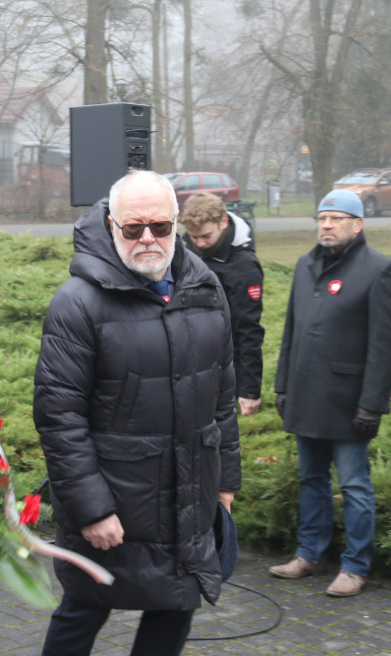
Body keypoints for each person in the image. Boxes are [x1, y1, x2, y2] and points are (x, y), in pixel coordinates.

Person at [34, 170, 240, 656]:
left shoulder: (206, 289)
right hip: (115, 500)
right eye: (133, 228)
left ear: (176, 226)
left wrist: (225, 482)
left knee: (177, 604)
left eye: (161, 226)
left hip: (189, 494)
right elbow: (59, 416)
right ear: (110, 226)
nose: (148, 238)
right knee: (84, 607)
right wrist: (91, 508)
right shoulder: (77, 303)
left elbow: (223, 397)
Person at [269, 189, 391, 598]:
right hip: (306, 394)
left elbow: (382, 346)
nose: (326, 225)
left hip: (348, 401)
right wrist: (282, 384)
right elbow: (291, 332)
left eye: (336, 218)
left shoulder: (378, 270)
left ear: (358, 225)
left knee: (355, 486)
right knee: (311, 480)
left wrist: (372, 404)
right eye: (322, 218)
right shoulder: (305, 265)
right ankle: (310, 554)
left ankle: (355, 567)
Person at [179, 191, 265, 416]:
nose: (200, 243)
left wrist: (249, 388)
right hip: (182, 367)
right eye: (193, 237)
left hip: (222, 371)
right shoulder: (183, 252)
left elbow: (248, 330)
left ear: (223, 222)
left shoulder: (244, 267)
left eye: (206, 236)